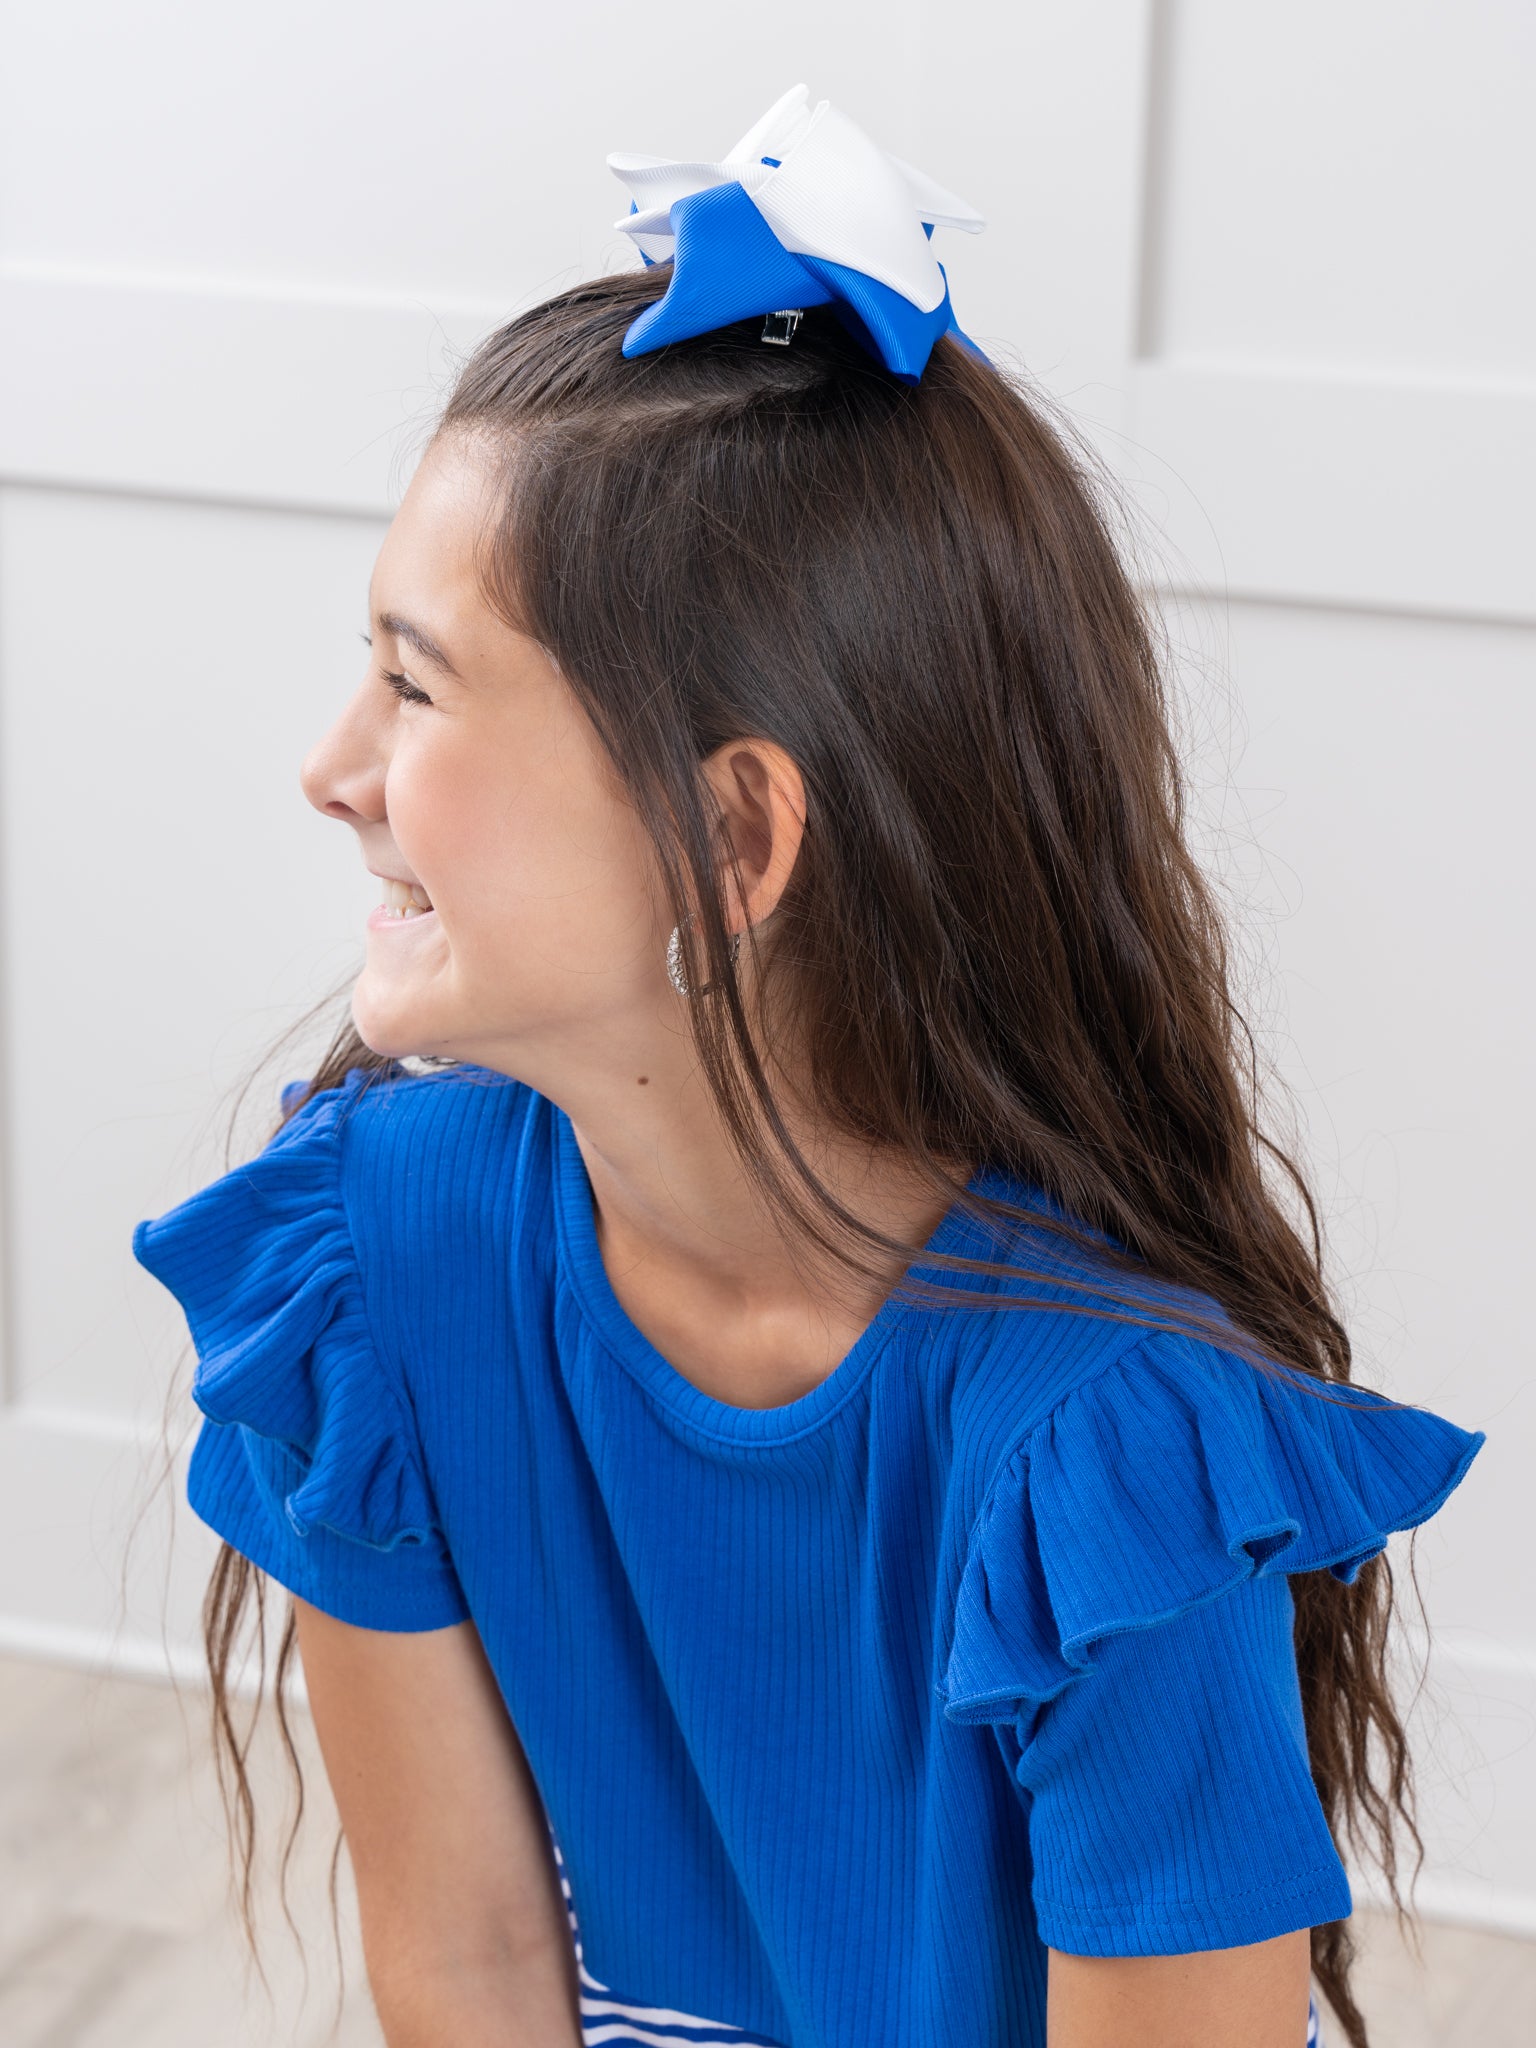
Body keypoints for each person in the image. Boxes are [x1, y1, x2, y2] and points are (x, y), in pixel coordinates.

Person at [132, 84, 1483, 2048]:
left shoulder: (1099, 1468)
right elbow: (469, 1964)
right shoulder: (371, 1267)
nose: (333, 769)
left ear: (736, 839)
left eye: (414, 684)